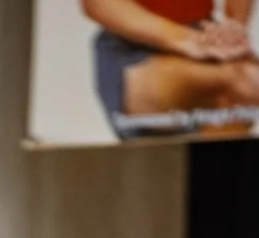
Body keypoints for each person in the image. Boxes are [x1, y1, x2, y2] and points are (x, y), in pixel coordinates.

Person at [83, 0, 259, 139]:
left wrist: (234, 25)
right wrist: (184, 39)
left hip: (201, 32)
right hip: (134, 46)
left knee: (247, 84)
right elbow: (98, 3)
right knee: (243, 82)